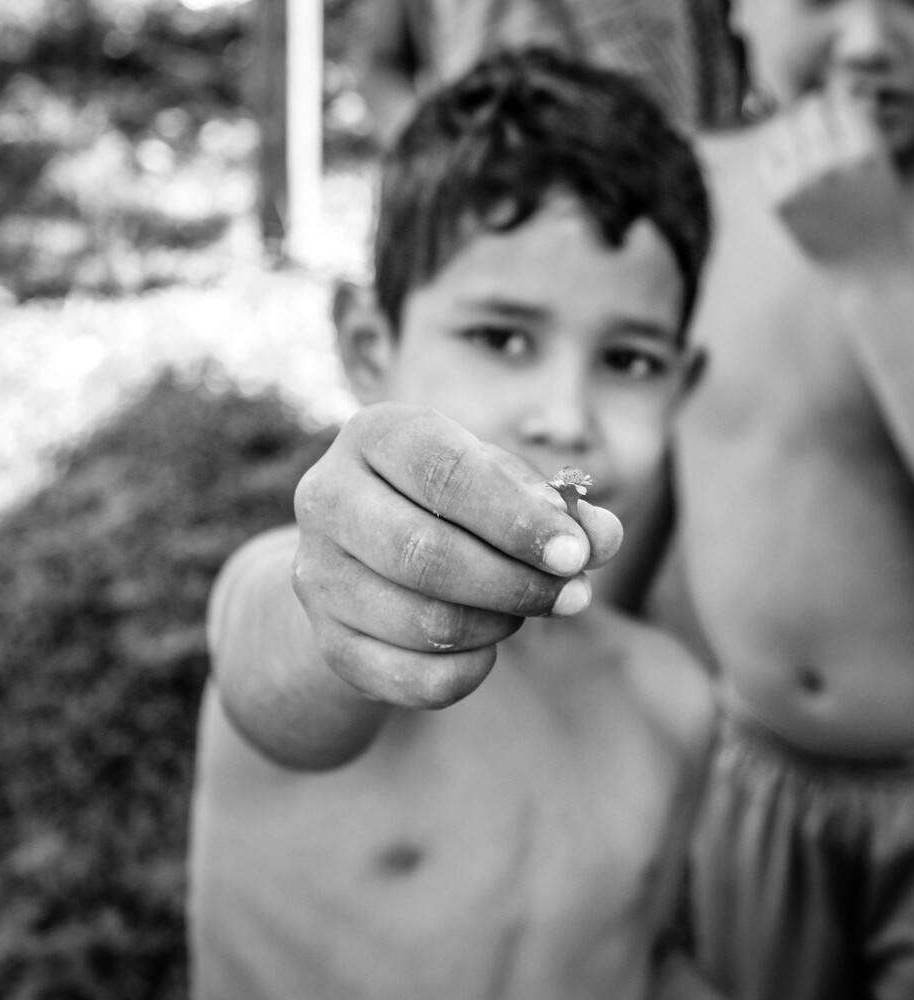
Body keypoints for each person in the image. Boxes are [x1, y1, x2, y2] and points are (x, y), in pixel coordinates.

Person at [266, 0, 914, 998]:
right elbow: (660, 463)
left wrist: (870, 262)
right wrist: (574, 635)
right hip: (754, 774)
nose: (867, 42)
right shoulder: (691, 191)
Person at [187, 48, 728, 1000]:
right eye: (503, 338)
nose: (564, 414)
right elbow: (277, 645)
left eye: (630, 359)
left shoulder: (674, 705)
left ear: (683, 388)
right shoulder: (308, 604)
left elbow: (641, 958)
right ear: (369, 347)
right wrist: (335, 603)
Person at [351, 0, 745, 142]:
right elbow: (380, 64)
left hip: (658, 185)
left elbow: (750, 38)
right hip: (492, 190)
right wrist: (436, 153)